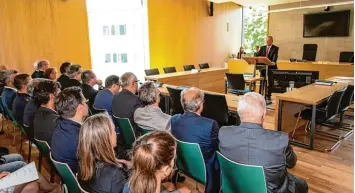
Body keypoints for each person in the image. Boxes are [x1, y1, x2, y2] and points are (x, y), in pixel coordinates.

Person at [219, 92, 308, 193]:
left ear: (239, 113)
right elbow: (291, 163)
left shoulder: (223, 133)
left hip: (234, 187)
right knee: (302, 183)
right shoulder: (280, 140)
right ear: (264, 113)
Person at [170, 87, 219, 193]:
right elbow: (216, 148)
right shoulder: (210, 124)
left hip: (184, 167)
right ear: (200, 105)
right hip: (206, 172)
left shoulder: (174, 119)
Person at [123, 131, 190, 193]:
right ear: (165, 169)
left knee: (171, 185)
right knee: (186, 190)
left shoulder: (129, 184)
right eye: (173, 158)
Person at [78, 114, 128, 193]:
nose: (116, 134)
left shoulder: (83, 164)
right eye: (113, 130)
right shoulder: (115, 175)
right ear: (105, 139)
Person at [51, 87, 88, 173]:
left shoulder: (59, 127)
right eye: (85, 102)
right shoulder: (81, 137)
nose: (87, 105)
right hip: (82, 179)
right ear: (80, 108)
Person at [33, 80, 61, 144]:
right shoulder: (56, 120)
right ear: (51, 96)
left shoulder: (39, 111)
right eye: (59, 91)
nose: (61, 93)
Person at [256, 36, 279, 100]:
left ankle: (269, 95)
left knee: (270, 81)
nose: (267, 42)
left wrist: (273, 62)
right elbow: (257, 55)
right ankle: (260, 94)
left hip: (271, 67)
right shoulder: (263, 48)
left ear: (271, 41)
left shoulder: (275, 48)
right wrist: (256, 53)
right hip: (263, 67)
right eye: (266, 40)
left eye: (268, 40)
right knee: (262, 80)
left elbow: (275, 56)